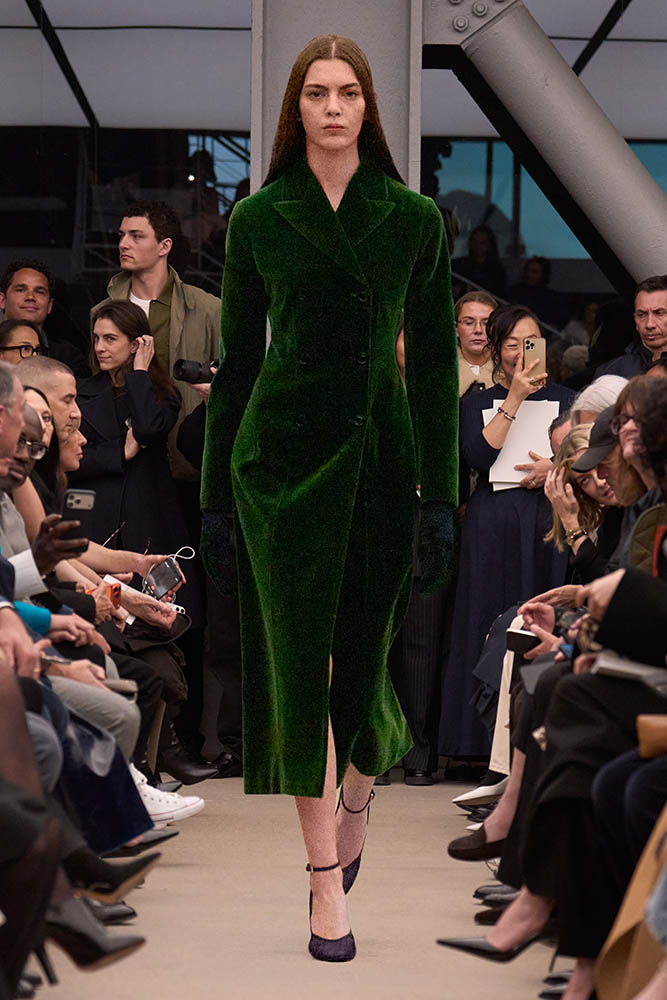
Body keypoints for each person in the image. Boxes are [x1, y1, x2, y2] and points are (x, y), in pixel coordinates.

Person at [200, 34, 458, 962]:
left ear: (367, 107)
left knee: (366, 661)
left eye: (348, 92)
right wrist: (214, 499)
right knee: (299, 668)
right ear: (296, 108)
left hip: (383, 460)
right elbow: (236, 364)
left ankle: (357, 791)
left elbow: (434, 365)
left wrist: (441, 495)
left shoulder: (412, 219)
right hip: (279, 465)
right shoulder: (259, 218)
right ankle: (322, 885)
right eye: (317, 93)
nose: (334, 108)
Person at [439, 304, 574, 759]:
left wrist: (554, 466)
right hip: (492, 522)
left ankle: (536, 741)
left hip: (546, 519)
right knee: (484, 617)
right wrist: (514, 398)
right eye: (511, 343)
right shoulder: (477, 402)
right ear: (496, 349)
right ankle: (476, 745)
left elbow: (583, 454)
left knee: (540, 616)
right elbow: (477, 456)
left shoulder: (568, 399)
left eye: (530, 342)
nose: (521, 352)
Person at [0, 259, 89, 377]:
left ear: (49, 306)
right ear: (2, 300)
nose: (30, 297)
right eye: (20, 290)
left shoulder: (68, 357)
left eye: (40, 292)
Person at [597, 275, 667, 379]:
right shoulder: (612, 372)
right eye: (641, 315)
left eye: (659, 313)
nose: (649, 324)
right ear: (635, 320)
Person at [455, 291, 497, 395]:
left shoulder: (510, 371)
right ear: (456, 329)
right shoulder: (439, 370)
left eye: (486, 323)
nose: (478, 330)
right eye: (469, 323)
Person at [452, 225, 507, 298]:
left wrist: (464, 289)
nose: (477, 246)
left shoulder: (497, 269)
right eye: (474, 241)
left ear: (489, 245)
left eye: (482, 243)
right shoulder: (458, 265)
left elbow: (494, 292)